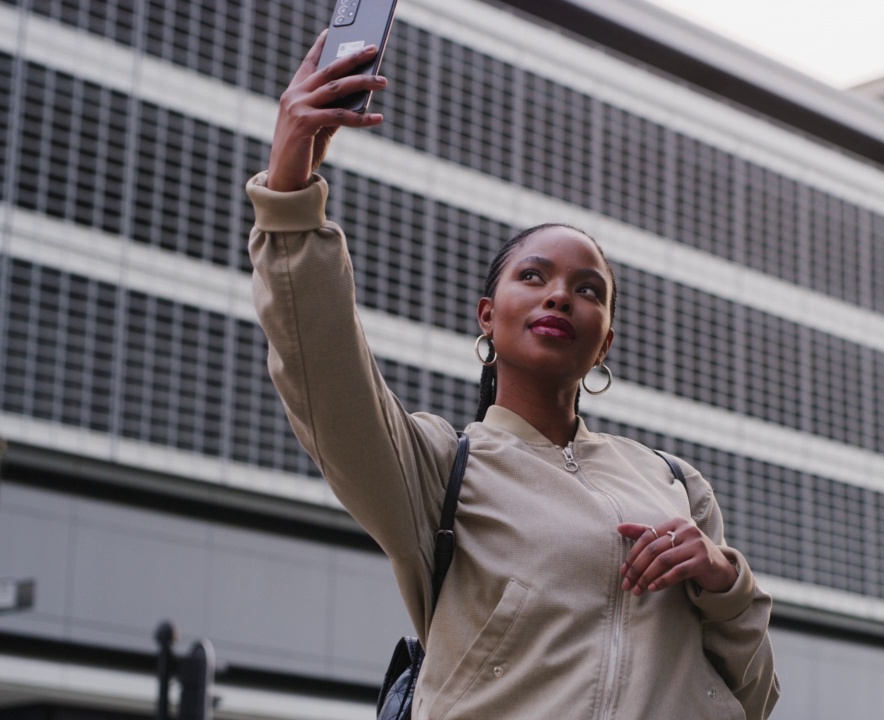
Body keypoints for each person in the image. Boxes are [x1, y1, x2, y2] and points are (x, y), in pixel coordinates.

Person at [247, 31, 780, 719]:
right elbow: (323, 368)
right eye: (535, 277)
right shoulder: (441, 469)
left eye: (588, 290)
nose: (561, 295)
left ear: (604, 343)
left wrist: (724, 577)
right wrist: (290, 193)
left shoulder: (675, 483)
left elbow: (756, 695)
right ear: (488, 317)